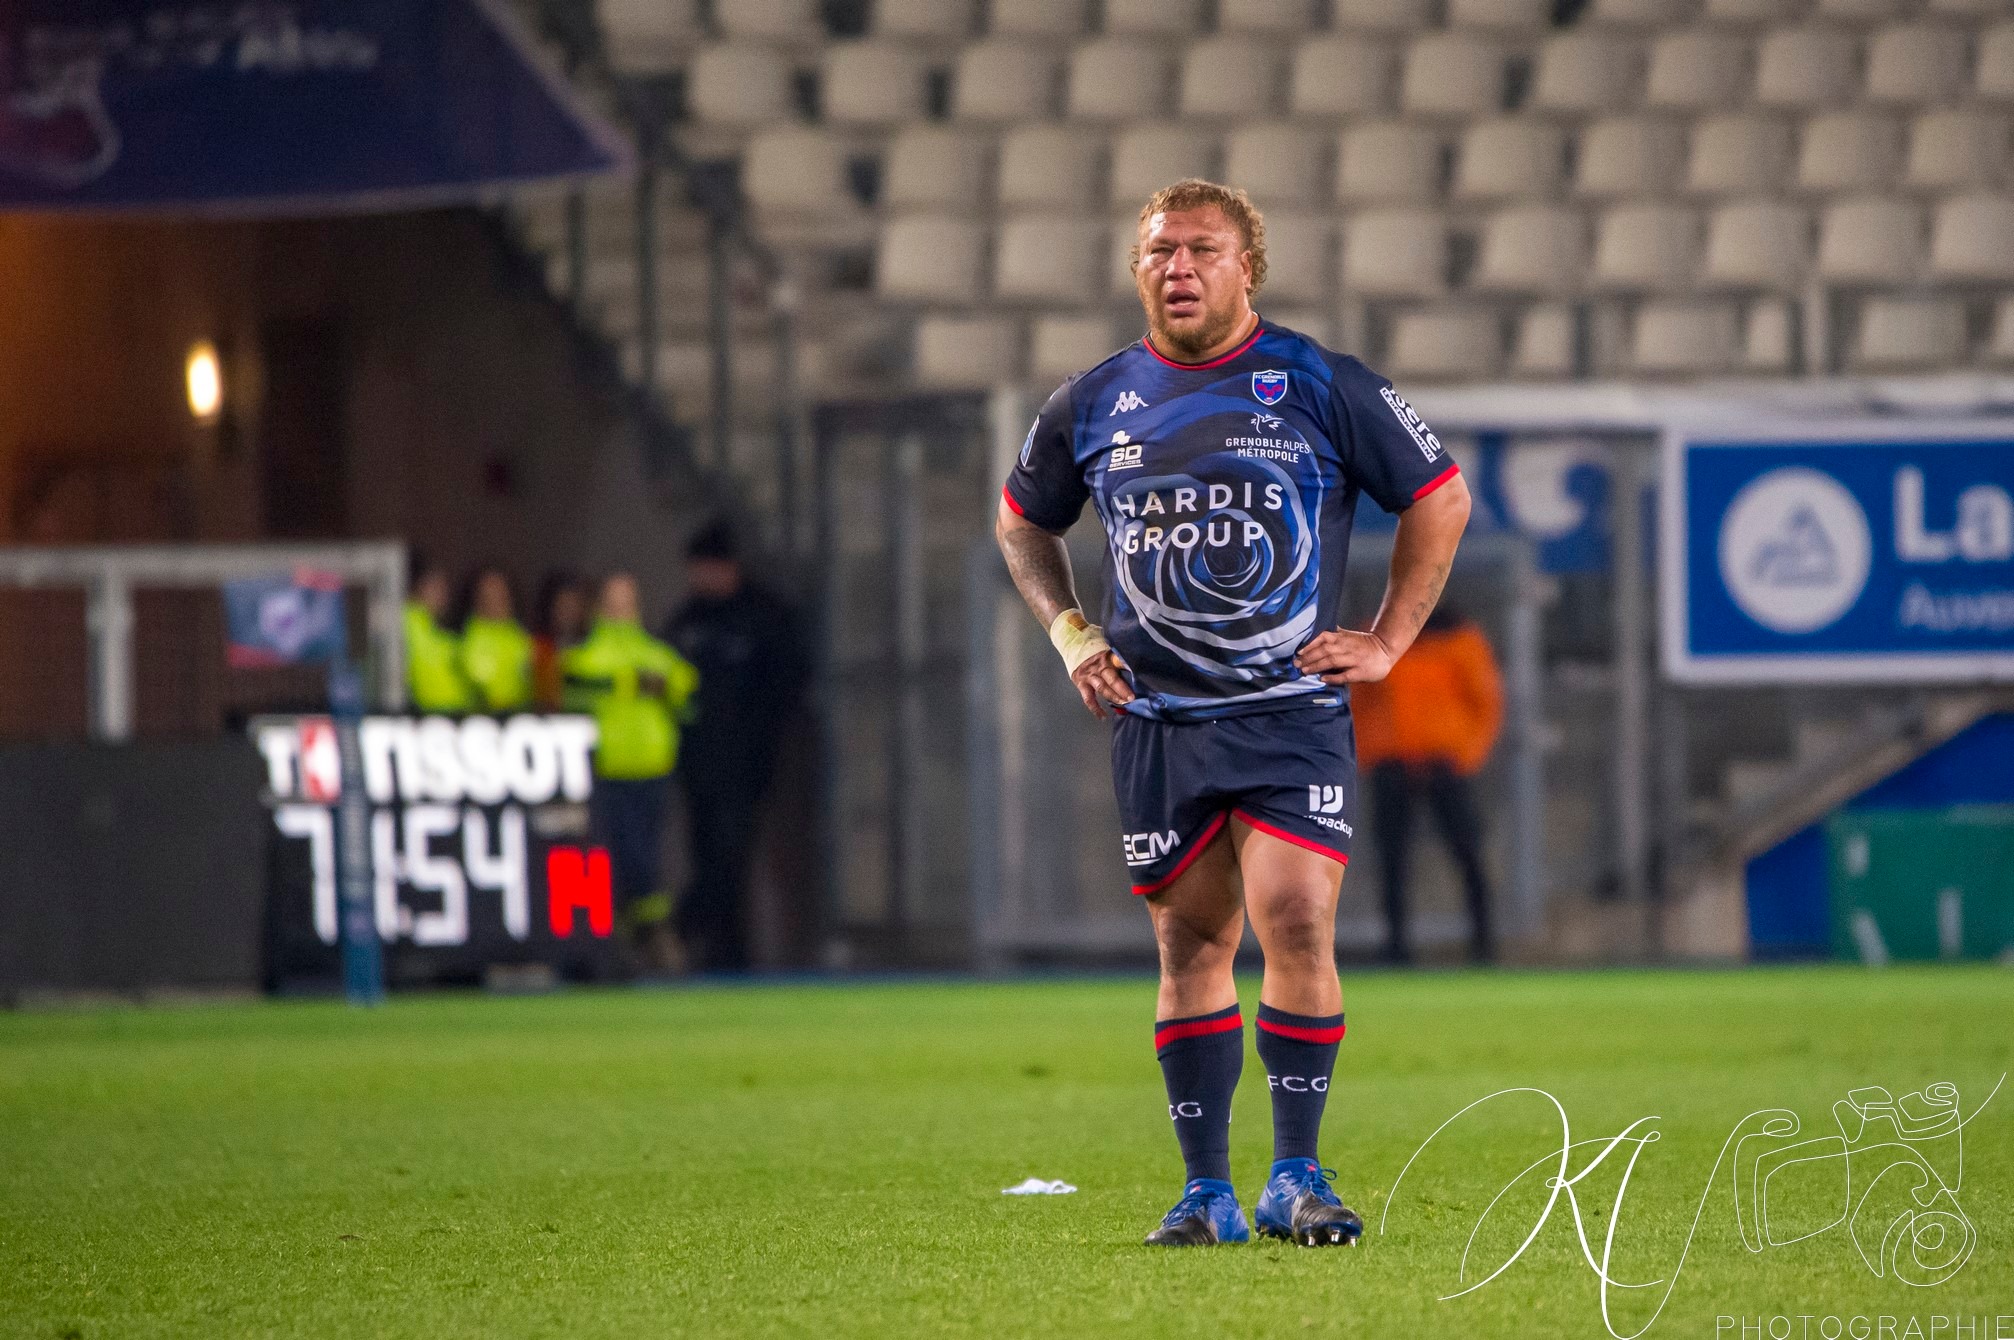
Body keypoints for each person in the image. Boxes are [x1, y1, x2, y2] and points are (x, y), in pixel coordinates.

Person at [995, 179, 1470, 1248]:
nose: (1178, 266)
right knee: (1191, 944)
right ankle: (1205, 1187)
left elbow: (1438, 495)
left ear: (1246, 267)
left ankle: (1295, 1171)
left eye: (1202, 249)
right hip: (1158, 720)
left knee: (1296, 914)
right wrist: (1072, 632)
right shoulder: (1092, 401)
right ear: (1137, 270)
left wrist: (1389, 639)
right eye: (1160, 250)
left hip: (1289, 710)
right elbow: (1022, 521)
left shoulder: (1320, 382)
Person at [663, 522, 806, 973]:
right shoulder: (687, 622)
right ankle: (722, 954)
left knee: (730, 859)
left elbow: (787, 686)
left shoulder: (764, 618)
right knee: (711, 857)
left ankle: (694, 935)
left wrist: (762, 739)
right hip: (699, 766)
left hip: (748, 765)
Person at [1351, 604, 1504, 966]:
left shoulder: (1460, 640)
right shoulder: (1374, 634)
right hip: (1392, 761)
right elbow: (1357, 702)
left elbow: (1485, 704)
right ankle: (1396, 948)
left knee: (1467, 852)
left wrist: (1464, 755)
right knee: (1392, 859)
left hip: (1443, 762)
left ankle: (1484, 946)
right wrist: (1367, 751)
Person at [561, 573, 700, 960]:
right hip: (606, 767)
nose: (621, 609)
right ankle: (622, 936)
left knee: (647, 853)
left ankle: (647, 932)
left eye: (627, 600)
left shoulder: (655, 652)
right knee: (615, 854)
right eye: (613, 601)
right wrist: (634, 686)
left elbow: (687, 690)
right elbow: (575, 689)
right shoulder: (586, 655)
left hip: (653, 765)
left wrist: (656, 687)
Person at [457, 567, 535, 714]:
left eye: (500, 594)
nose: (495, 601)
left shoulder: (523, 638)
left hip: (523, 721)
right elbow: (483, 685)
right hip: (482, 722)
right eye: (487, 596)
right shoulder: (468, 640)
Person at [405, 559, 475, 714]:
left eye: (444, 587)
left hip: (451, 717)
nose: (443, 594)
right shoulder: (410, 620)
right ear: (416, 588)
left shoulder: (435, 630)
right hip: (430, 717)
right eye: (435, 586)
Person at [530, 570, 589, 711]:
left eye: (573, 605)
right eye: (562, 605)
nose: (568, 613)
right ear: (550, 608)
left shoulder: (593, 649)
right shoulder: (536, 649)